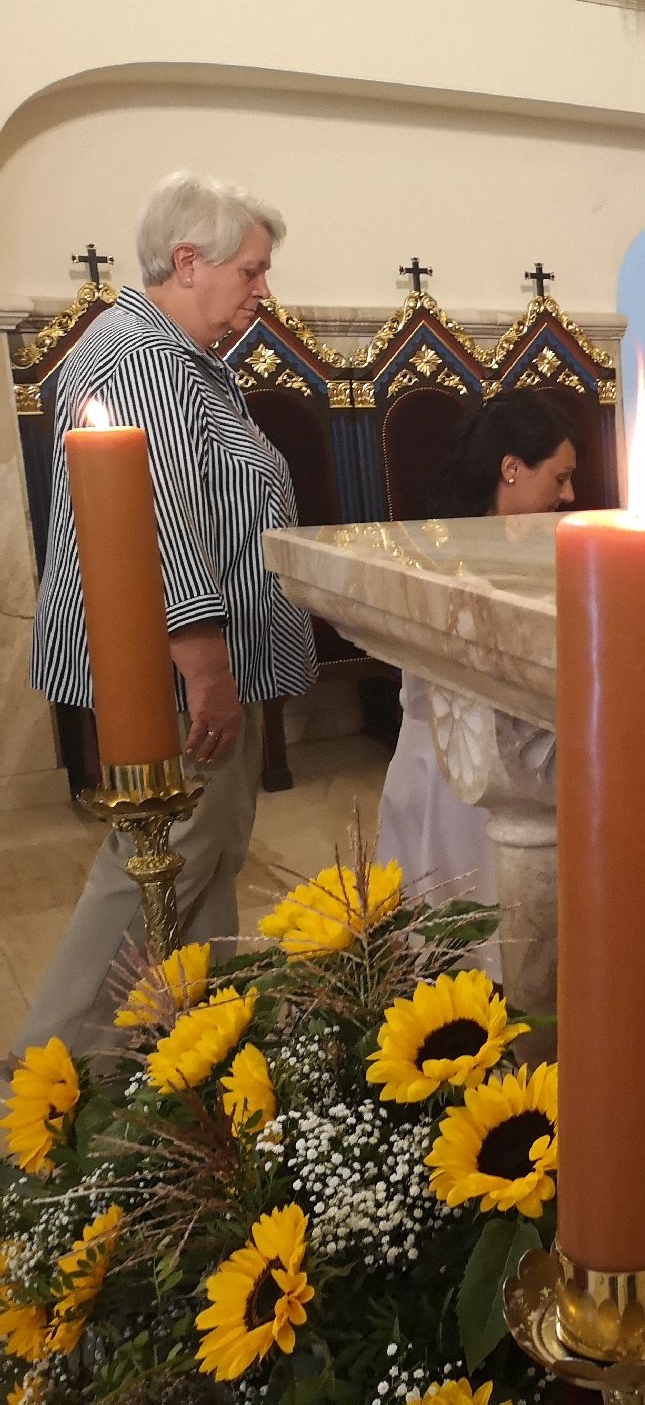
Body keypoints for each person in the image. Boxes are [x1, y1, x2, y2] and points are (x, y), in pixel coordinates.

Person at [21, 171, 316, 1056]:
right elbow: (157, 521)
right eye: (251, 270)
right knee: (160, 862)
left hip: (202, 664)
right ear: (188, 262)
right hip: (175, 672)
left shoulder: (186, 360)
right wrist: (206, 666)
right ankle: (51, 1071)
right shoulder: (140, 357)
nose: (262, 291)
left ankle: (193, 1047)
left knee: (205, 856)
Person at [373, 392, 577, 961]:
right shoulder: (453, 561)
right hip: (466, 777)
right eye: (560, 478)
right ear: (511, 468)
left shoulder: (516, 545)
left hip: (494, 762)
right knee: (471, 939)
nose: (569, 496)